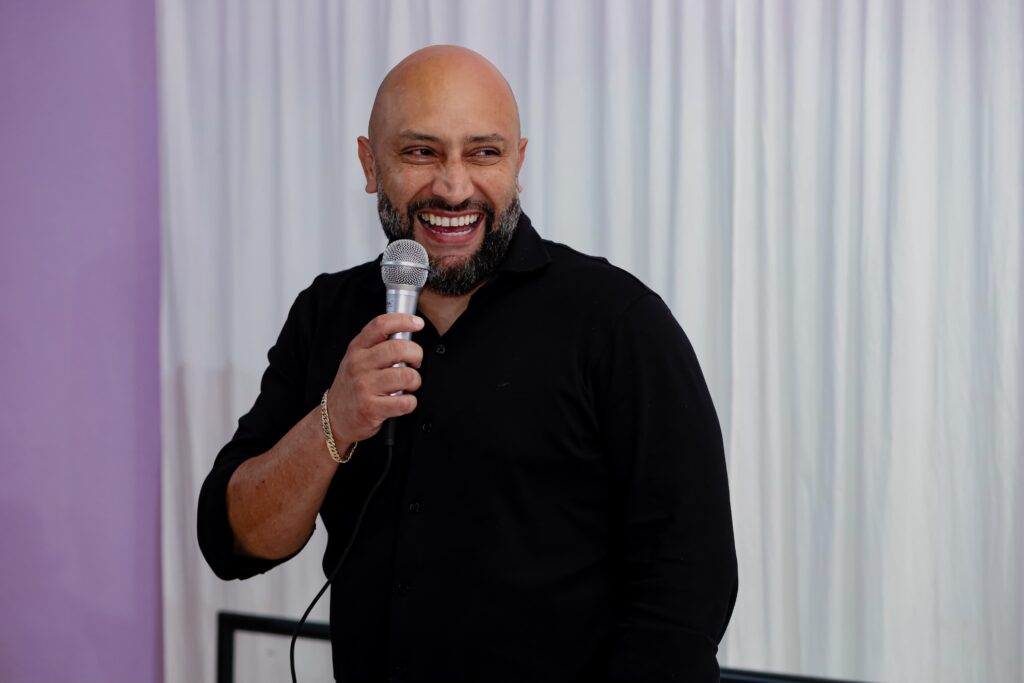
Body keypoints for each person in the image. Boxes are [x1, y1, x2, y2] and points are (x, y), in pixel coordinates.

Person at [198, 45, 737, 682]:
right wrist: (334, 421)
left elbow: (687, 590)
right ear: (370, 164)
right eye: (420, 152)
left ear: (518, 163)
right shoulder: (326, 314)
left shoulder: (619, 322)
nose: (454, 188)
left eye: (483, 153)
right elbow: (235, 542)